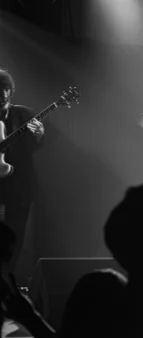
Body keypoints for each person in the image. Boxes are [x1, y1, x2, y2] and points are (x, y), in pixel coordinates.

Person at [0, 68, 44, 276]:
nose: (2, 94)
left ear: (11, 91)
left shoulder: (24, 114)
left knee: (17, 238)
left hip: (18, 187)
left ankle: (10, 280)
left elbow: (36, 148)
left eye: (6, 89)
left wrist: (39, 134)